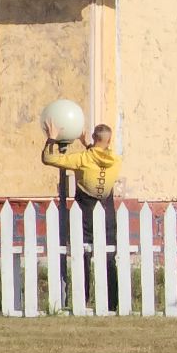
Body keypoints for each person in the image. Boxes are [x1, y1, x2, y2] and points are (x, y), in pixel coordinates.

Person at [41, 117, 123, 304]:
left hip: (84, 212)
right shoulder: (116, 161)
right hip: (107, 213)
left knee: (82, 256)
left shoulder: (82, 158)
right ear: (109, 141)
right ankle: (112, 303)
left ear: (94, 137)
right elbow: (100, 158)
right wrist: (89, 145)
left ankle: (82, 298)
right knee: (109, 257)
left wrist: (52, 139)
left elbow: (48, 158)